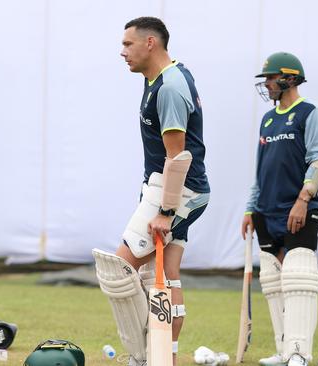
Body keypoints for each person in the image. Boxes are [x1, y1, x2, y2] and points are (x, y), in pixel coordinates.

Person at [92, 16, 210, 366]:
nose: (122, 52)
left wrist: (166, 210)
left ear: (150, 43)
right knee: (163, 275)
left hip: (177, 190)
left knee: (120, 271)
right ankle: (164, 358)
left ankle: (144, 357)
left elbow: (178, 157)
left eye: (128, 44)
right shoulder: (158, 79)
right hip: (168, 188)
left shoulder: (170, 86)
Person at [241, 52, 318, 366]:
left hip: (297, 210)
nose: (266, 84)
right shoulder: (268, 119)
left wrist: (303, 200)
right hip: (265, 212)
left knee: (298, 281)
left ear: (289, 78)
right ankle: (283, 351)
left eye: (270, 78)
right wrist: (250, 209)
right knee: (273, 282)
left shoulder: (310, 112)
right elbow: (260, 169)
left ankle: (299, 353)